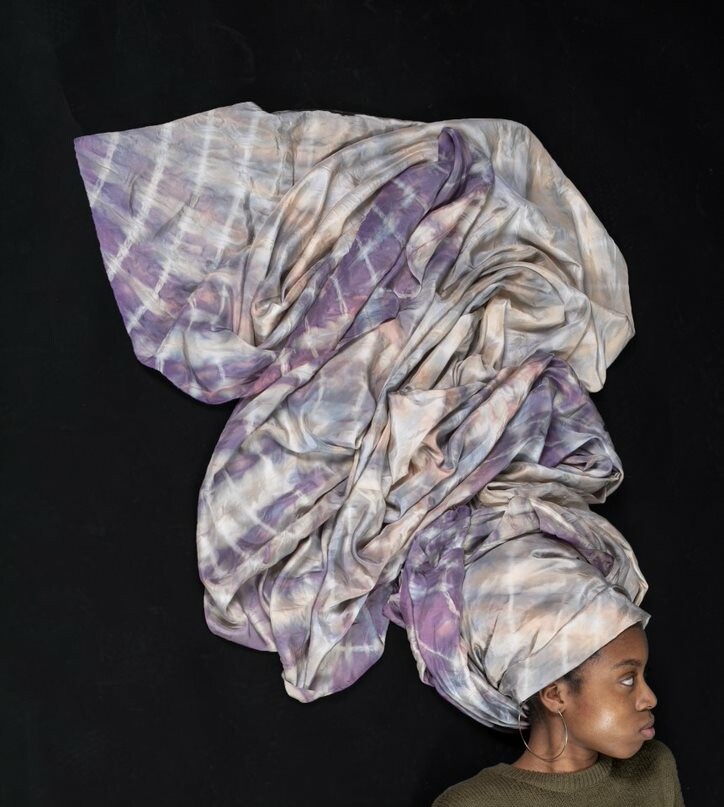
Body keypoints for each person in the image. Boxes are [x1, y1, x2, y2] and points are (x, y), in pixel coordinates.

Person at [431, 622, 685, 805]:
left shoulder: (653, 768)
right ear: (555, 696)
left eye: (644, 676)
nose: (650, 698)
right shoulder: (472, 803)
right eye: (627, 680)